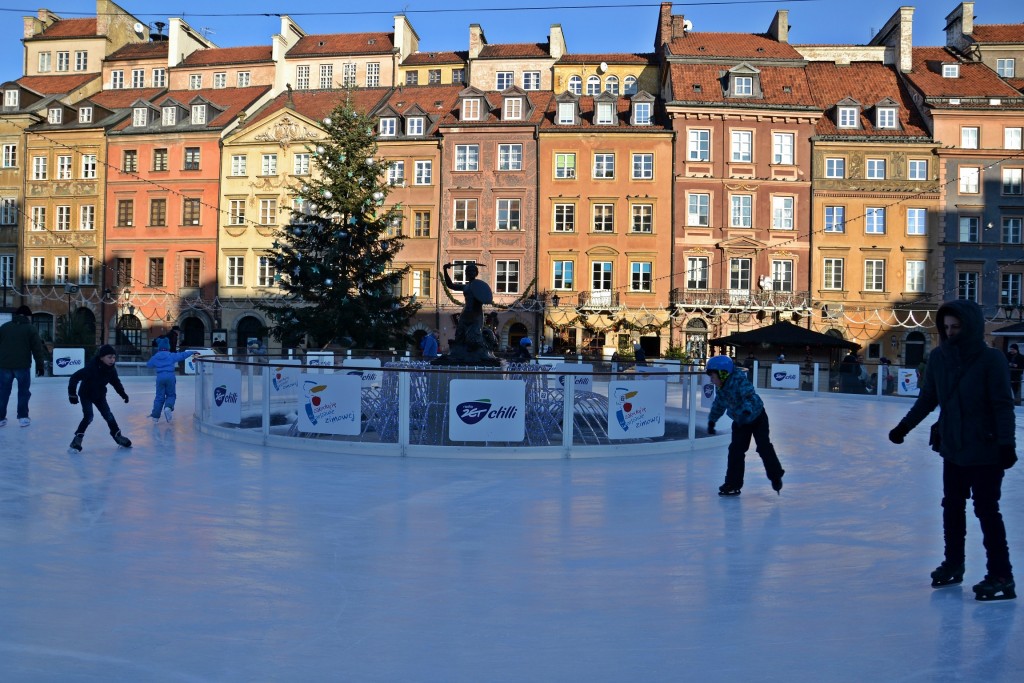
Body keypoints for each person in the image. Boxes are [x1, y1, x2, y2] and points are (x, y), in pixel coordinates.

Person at [888, 300, 1017, 601]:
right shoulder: (939, 358)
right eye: (945, 328)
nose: (950, 333)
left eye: (956, 327)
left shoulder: (991, 360)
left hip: (985, 449)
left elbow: (1003, 406)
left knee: (987, 511)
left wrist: (1007, 444)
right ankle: (953, 564)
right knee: (952, 507)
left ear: (970, 327)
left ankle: (1001, 575)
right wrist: (904, 427)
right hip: (953, 446)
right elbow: (928, 398)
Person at [705, 355, 785, 496]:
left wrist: (746, 411)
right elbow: (719, 404)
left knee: (763, 446)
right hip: (741, 421)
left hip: (757, 417)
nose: (711, 379)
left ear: (723, 373)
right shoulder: (722, 389)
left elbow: (749, 395)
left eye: (712, 376)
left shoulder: (739, 380)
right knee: (735, 450)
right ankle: (732, 484)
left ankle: (775, 475)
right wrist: (712, 420)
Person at [67, 344, 132, 451]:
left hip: (100, 395)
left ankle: (117, 436)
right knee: (89, 417)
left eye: (114, 357)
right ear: (102, 357)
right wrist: (72, 394)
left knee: (109, 415)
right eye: (109, 357)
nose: (112, 360)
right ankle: (77, 439)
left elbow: (116, 383)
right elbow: (74, 377)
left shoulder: (111, 370)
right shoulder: (91, 368)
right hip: (86, 394)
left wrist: (123, 394)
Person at [0, 305, 48, 428]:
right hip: (22, 366)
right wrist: (40, 365)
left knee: (3, 392)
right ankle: (23, 417)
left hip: (4, 366)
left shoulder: (4, 327)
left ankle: (0, 418)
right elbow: (37, 349)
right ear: (27, 316)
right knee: (23, 392)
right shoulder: (30, 329)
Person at [146, 337, 200, 422]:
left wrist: (156, 362)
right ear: (168, 347)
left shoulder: (155, 357)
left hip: (160, 377)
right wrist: (191, 352)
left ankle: (156, 416)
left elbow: (149, 365)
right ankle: (168, 407)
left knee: (159, 397)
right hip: (170, 377)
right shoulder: (171, 355)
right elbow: (182, 355)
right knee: (171, 395)